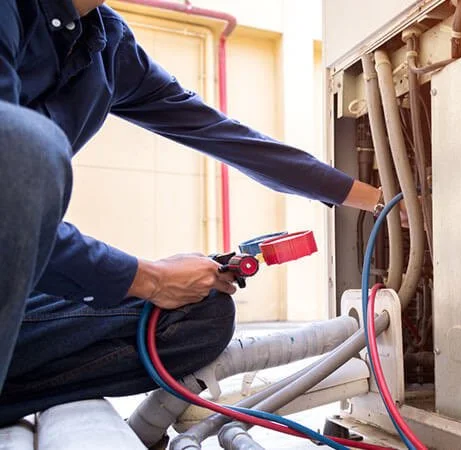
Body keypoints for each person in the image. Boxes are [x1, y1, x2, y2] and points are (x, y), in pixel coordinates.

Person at [0, 0, 392, 425]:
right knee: (27, 144)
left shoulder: (107, 45)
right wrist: (147, 277)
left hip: (18, 300)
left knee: (200, 312)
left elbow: (224, 135)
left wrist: (375, 198)